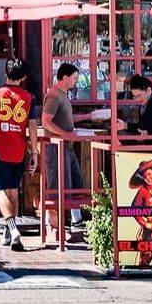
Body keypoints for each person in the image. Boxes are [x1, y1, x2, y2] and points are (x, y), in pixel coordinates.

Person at [0, 56, 39, 252]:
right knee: (13, 190)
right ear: (22, 77)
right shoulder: (29, 97)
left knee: (1, 190)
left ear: (5, 73)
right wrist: (34, 151)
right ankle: (8, 230)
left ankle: (13, 230)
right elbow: (32, 126)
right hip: (19, 149)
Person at [41, 63, 98, 241]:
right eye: (74, 78)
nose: (76, 81)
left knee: (75, 184)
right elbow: (46, 122)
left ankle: (75, 220)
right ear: (65, 77)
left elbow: (66, 118)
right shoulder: (53, 95)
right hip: (56, 147)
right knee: (57, 187)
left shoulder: (63, 95)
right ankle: (54, 226)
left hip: (67, 146)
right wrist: (66, 134)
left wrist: (88, 117)